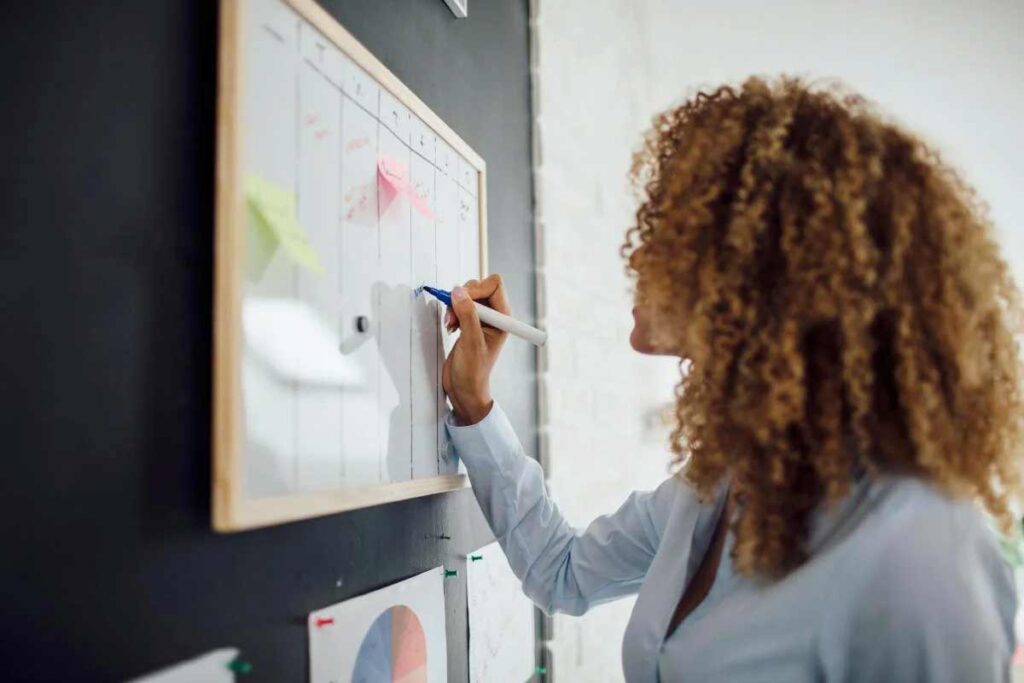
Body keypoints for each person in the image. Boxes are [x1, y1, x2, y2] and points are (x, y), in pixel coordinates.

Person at [441, 77, 1022, 682]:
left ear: (769, 275)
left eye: (674, 230)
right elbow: (560, 572)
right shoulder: (714, 486)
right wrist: (475, 402)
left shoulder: (922, 558)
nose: (639, 254)